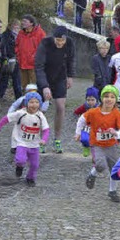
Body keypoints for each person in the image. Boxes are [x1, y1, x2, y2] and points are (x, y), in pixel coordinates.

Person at [75, 85, 120, 203]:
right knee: (100, 165)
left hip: (111, 145)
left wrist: (117, 134)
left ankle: (112, 191)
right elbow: (81, 119)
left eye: (112, 97)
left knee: (114, 169)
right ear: (102, 98)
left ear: (116, 100)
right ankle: (92, 174)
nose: (109, 99)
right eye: (106, 96)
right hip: (97, 144)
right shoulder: (93, 112)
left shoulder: (116, 113)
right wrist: (78, 132)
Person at [0, 92, 49, 187]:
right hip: (21, 142)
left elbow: (46, 129)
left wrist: (44, 139)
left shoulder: (41, 116)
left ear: (40, 104)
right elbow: (6, 118)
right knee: (20, 159)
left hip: (34, 144)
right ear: (26, 103)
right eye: (31, 102)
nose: (34, 105)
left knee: (35, 165)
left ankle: (30, 178)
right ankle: (19, 166)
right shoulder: (21, 113)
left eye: (36, 102)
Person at [35, 26, 76, 154]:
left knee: (60, 106)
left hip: (60, 77)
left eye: (62, 41)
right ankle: (40, 138)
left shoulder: (69, 43)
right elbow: (38, 66)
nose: (60, 43)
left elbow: (71, 60)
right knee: (40, 108)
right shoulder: (45, 43)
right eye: (57, 40)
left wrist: (70, 76)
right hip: (45, 76)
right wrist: (45, 86)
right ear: (53, 38)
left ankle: (57, 139)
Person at [15, 14, 46, 93]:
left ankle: (38, 101)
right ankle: (26, 101)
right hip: (23, 64)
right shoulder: (21, 33)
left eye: (25, 21)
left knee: (34, 85)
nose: (22, 23)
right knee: (24, 85)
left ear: (31, 23)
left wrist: (35, 58)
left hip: (34, 65)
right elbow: (16, 46)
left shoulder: (40, 33)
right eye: (22, 21)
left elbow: (44, 47)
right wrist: (18, 56)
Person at [0, 19, 22, 101]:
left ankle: (18, 98)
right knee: (5, 80)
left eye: (18, 26)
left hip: (15, 60)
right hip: (8, 60)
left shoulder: (18, 36)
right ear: (10, 26)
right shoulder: (6, 35)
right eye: (15, 25)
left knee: (15, 80)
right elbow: (3, 47)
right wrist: (5, 58)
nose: (17, 28)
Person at [74, 86, 100, 157]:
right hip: (86, 127)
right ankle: (86, 146)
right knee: (84, 139)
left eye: (92, 100)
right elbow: (76, 112)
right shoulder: (85, 106)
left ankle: (95, 155)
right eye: (88, 100)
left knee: (95, 143)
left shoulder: (99, 108)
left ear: (96, 100)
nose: (90, 102)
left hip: (96, 128)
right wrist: (78, 118)